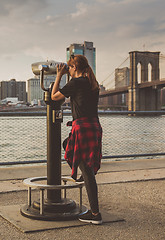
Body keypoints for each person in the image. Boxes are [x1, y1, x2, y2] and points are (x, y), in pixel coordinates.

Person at [51, 55, 103, 225]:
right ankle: (82, 172)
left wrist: (59, 74)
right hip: (94, 126)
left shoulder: (76, 83)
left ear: (74, 68)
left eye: (70, 67)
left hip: (82, 128)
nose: (68, 69)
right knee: (68, 145)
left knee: (87, 171)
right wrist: (69, 74)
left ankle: (95, 214)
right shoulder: (91, 83)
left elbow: (54, 97)